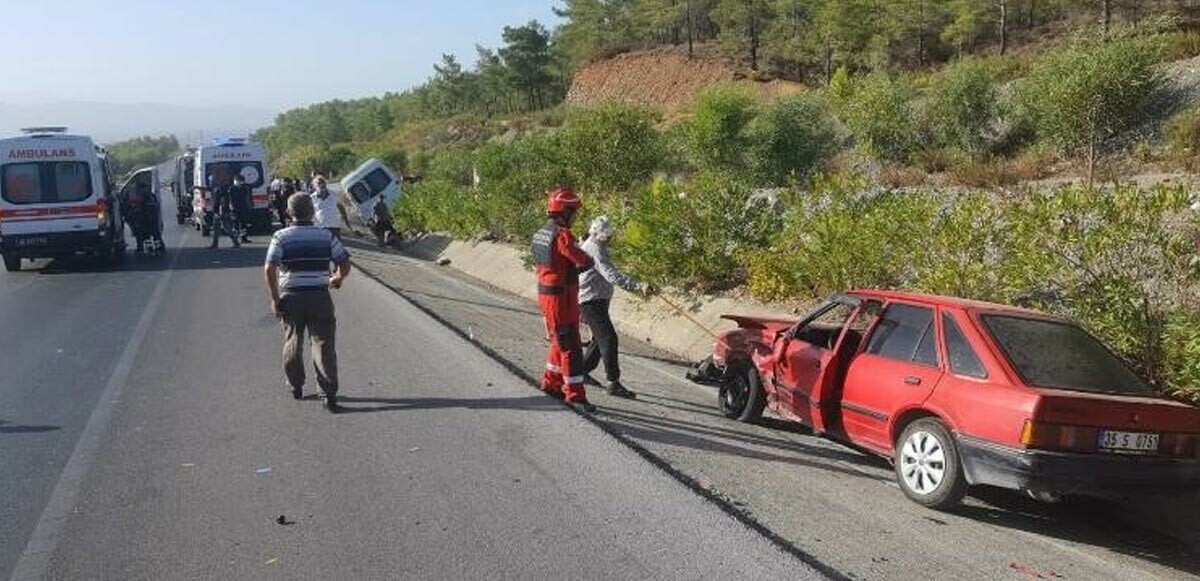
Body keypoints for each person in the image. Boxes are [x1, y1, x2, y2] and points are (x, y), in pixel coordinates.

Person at [264, 193, 352, 413]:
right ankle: (328, 393)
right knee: (323, 343)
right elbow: (344, 262)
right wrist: (338, 278)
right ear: (312, 212)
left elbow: (269, 267)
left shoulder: (281, 237)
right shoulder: (325, 236)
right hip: (319, 295)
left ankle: (296, 385)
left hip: (291, 295)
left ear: (288, 213)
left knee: (293, 340)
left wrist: (275, 299)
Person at [532, 187, 596, 412]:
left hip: (547, 293)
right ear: (564, 211)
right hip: (561, 297)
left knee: (559, 340)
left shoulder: (542, 232)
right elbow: (580, 259)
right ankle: (575, 395)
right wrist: (587, 259)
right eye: (573, 212)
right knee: (572, 347)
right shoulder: (562, 235)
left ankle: (551, 383)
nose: (574, 217)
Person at [578, 216, 651, 399]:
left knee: (599, 338)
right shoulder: (596, 249)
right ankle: (613, 382)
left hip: (595, 299)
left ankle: (581, 371)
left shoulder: (591, 243)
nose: (610, 239)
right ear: (602, 235)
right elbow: (612, 275)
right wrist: (638, 287)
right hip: (591, 300)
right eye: (608, 236)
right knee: (609, 338)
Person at [208, 179, 240, 249]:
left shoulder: (220, 190)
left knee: (218, 228)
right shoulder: (217, 189)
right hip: (220, 211)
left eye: (212, 181)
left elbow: (223, 201)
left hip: (220, 212)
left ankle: (215, 244)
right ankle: (235, 242)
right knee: (227, 228)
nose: (211, 182)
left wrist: (221, 212)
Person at [310, 175, 342, 240]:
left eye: (323, 182)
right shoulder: (312, 198)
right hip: (320, 228)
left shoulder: (334, 195)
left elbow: (341, 208)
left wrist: (348, 225)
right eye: (319, 183)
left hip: (334, 227)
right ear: (314, 186)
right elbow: (310, 213)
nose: (322, 184)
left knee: (337, 248)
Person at [231, 173, 254, 243]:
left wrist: (250, 206)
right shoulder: (232, 189)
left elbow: (247, 198)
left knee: (243, 224)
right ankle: (235, 239)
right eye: (237, 180)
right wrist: (231, 207)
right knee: (235, 224)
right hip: (235, 209)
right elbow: (230, 200)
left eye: (239, 180)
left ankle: (243, 238)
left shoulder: (245, 188)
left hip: (243, 208)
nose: (238, 182)